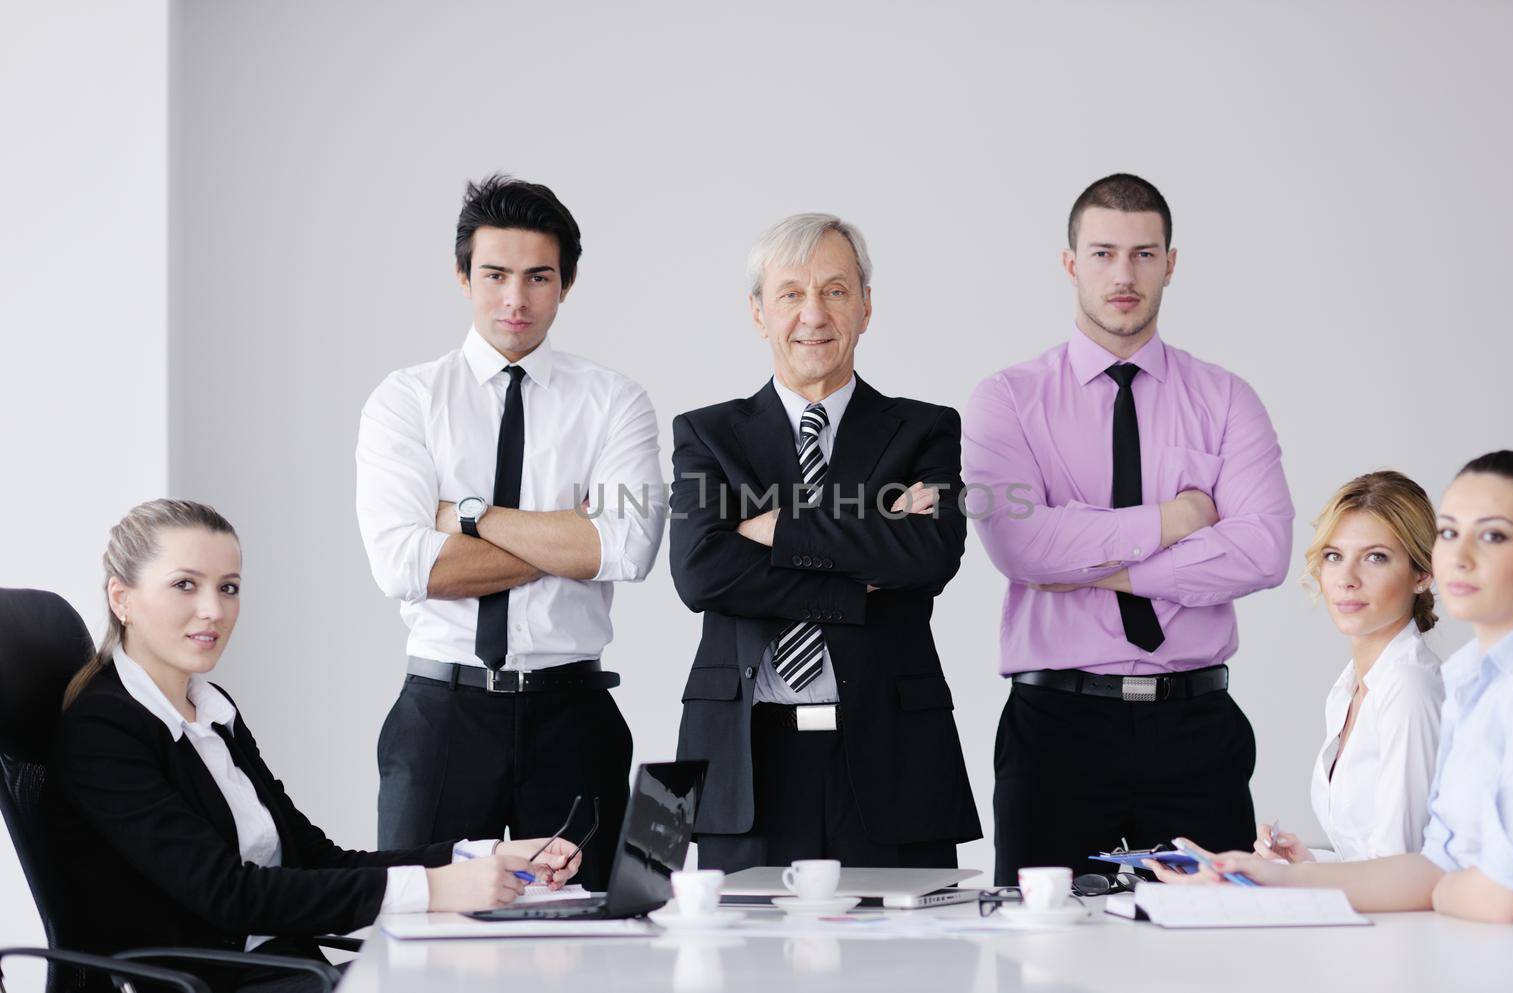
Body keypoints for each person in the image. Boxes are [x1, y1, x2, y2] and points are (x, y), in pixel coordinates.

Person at [46, 500, 582, 993]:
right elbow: (230, 896)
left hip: (286, 969)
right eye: (185, 585)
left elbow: (317, 860)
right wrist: (437, 889)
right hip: (214, 983)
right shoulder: (105, 727)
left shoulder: (211, 709)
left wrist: (483, 855)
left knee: (513, 965)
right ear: (123, 598)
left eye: (228, 587)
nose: (213, 609)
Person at [963, 173, 1294, 882]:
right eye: (1104, 252)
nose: (1124, 274)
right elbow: (1021, 545)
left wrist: (1100, 560)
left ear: (1171, 263)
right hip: (1057, 723)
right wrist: (1175, 520)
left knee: (1212, 954)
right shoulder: (1008, 399)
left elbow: (1263, 550)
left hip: (1196, 726)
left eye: (1144, 254)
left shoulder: (1226, 398)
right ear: (1070, 263)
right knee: (1041, 951)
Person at [355, 175, 665, 889]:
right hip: (441, 714)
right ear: (463, 276)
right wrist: (567, 536)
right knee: (422, 927)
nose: (514, 299)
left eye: (537, 277)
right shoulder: (406, 401)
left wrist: (469, 517)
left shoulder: (614, 402)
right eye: (494, 274)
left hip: (573, 714)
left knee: (584, 943)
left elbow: (626, 547)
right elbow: (404, 563)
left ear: (567, 284)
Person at [1150, 451, 1513, 934]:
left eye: (1493, 536)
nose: (1462, 557)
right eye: (1450, 533)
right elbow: (1434, 866)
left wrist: (1441, 885)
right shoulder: (1473, 676)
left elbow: (1495, 893)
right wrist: (1261, 874)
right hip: (1477, 947)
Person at [671, 213, 981, 872]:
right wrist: (866, 555)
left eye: (835, 291)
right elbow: (702, 574)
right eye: (791, 293)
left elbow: (930, 555)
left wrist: (777, 529)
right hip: (745, 763)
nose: (814, 313)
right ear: (759, 313)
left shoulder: (924, 429)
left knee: (909, 970)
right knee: (742, 970)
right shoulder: (707, 435)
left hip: (894, 757)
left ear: (866, 307)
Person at [1256, 471, 1443, 863]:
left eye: (1375, 557)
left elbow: (1398, 871)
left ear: (1422, 574)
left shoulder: (1409, 688)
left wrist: (1293, 880)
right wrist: (1304, 863)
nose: (1347, 579)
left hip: (1409, 921)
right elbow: (1367, 861)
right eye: (1334, 556)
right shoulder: (1348, 689)